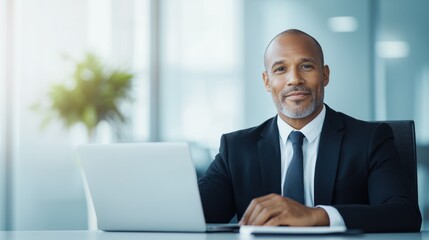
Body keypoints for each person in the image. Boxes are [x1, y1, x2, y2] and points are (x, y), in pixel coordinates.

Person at [198, 29, 422, 233]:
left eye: (306, 66)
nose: (294, 79)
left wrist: (316, 216)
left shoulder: (370, 139)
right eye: (280, 69)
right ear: (267, 81)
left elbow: (404, 214)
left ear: (325, 75)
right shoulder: (236, 149)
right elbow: (194, 215)